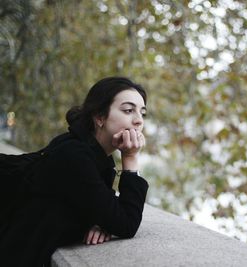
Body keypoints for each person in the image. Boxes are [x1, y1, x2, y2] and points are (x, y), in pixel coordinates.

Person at [0, 77, 149, 266]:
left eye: (142, 113)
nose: (138, 121)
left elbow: (105, 207)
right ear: (99, 117)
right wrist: (130, 158)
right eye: (128, 110)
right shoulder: (74, 155)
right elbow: (126, 223)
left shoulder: (88, 151)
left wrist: (101, 220)